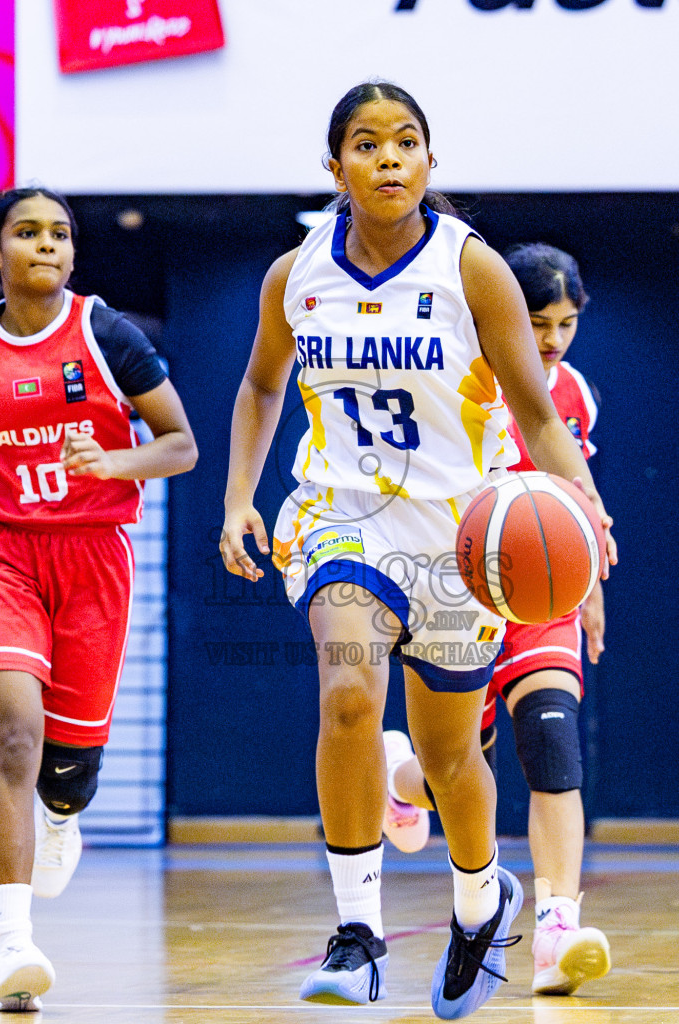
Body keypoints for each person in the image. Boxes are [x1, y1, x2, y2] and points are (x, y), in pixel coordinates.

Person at [220, 82, 616, 1020]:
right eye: (366, 143)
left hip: (459, 535)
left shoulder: (473, 270)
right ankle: (357, 934)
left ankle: (483, 900)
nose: (388, 158)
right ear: (335, 168)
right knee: (350, 692)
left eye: (407, 142)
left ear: (431, 163)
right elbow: (260, 388)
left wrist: (587, 508)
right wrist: (241, 496)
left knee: (448, 757)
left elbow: (533, 408)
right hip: (339, 516)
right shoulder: (295, 275)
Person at [0, 187, 197, 1012]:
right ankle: (14, 948)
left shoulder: (106, 335)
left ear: (73, 254)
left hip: (91, 558)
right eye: (27, 232)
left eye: (60, 234)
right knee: (11, 744)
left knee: (66, 772)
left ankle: (64, 814)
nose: (46, 244)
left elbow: (180, 445)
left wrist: (111, 465)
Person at [385, 244, 612, 997]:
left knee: (551, 736)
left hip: (542, 595)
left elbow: (574, 506)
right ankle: (398, 782)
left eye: (566, 323)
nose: (550, 339)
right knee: (453, 771)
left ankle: (555, 924)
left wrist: (590, 586)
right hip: (461, 584)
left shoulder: (573, 392)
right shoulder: (454, 377)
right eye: (538, 321)